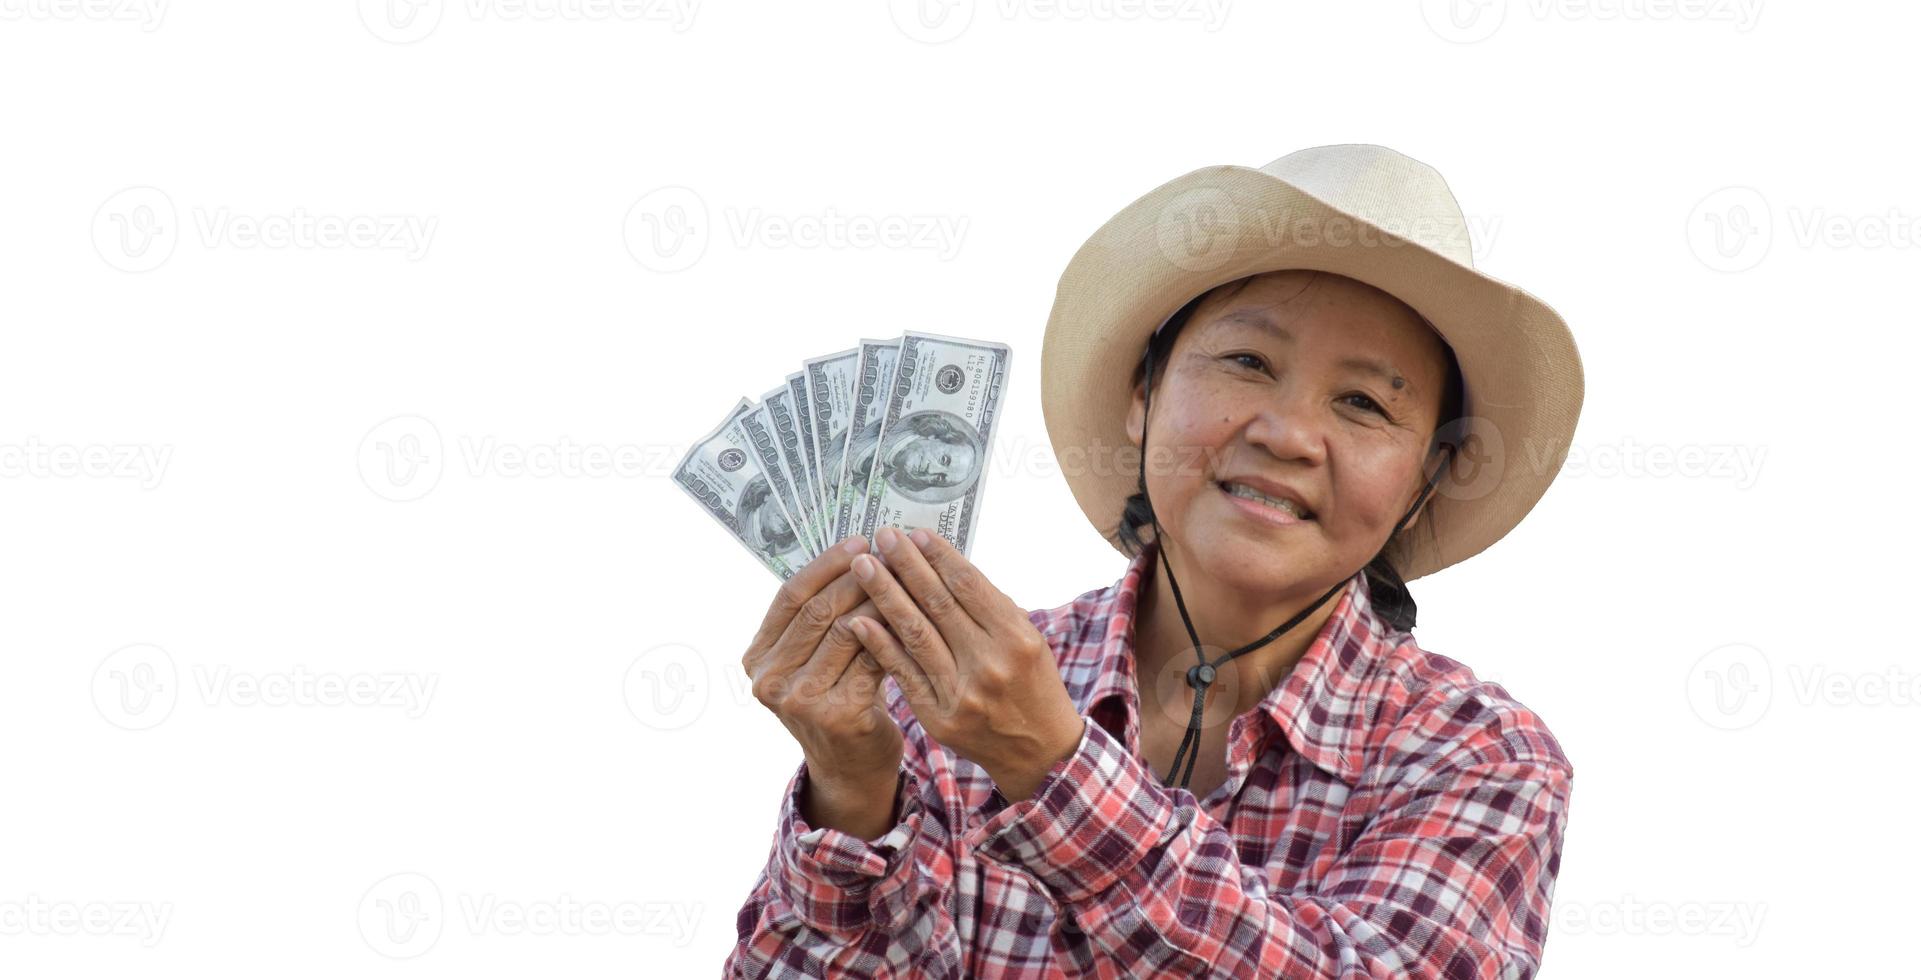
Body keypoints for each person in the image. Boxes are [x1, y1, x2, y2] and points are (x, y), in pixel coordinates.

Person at [727, 143, 1585, 978]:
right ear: (1143, 396)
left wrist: (1052, 769)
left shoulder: (1480, 757)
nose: (1285, 434)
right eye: (1247, 361)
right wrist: (850, 788)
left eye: (1362, 403)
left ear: (1425, 481)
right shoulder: (931, 700)